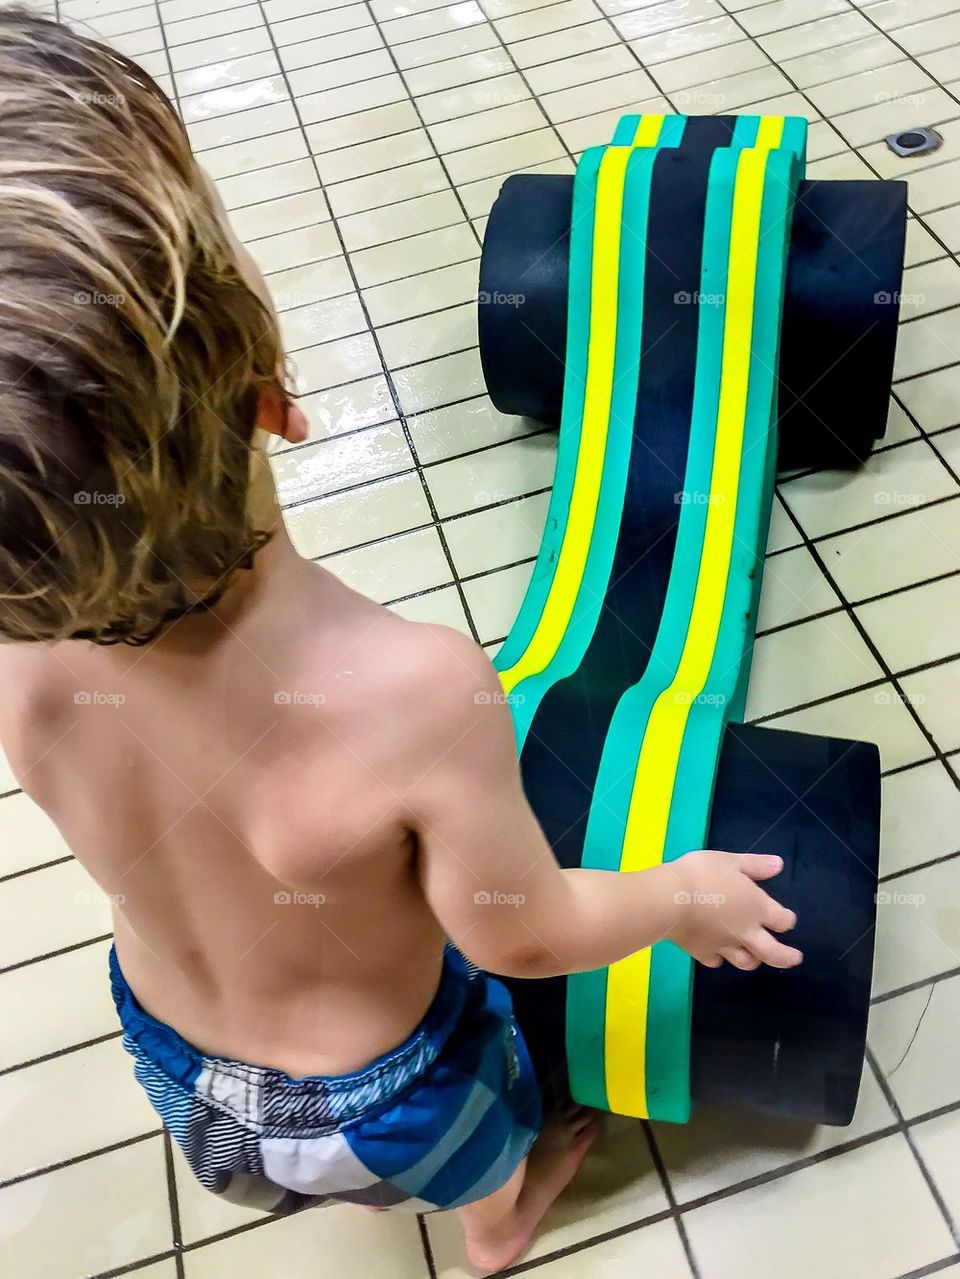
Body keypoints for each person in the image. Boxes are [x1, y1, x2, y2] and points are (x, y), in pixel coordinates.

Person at [0, 10, 801, 1273]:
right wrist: (678, 896)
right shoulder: (412, 689)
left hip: (175, 1073)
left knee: (307, 1152)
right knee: (488, 1146)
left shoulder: (23, 662)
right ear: (273, 386)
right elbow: (519, 937)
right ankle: (503, 1220)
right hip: (389, 1102)